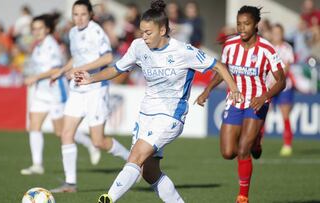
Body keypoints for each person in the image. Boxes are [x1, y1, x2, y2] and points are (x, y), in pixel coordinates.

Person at [74, 1, 242, 202]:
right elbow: (116, 68)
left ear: (162, 30)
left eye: (148, 33)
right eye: (142, 32)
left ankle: (108, 199)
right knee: (148, 171)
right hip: (146, 114)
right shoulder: (138, 46)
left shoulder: (183, 51)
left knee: (135, 156)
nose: (144, 37)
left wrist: (234, 89)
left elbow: (219, 66)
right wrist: (91, 78)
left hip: (171, 115)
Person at [195, 6, 286, 203]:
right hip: (235, 100)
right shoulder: (230, 45)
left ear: (255, 25)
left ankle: (243, 196)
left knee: (243, 150)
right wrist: (207, 90)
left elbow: (281, 81)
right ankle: (256, 140)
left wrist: (264, 97)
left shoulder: (267, 49)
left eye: (246, 24)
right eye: (239, 24)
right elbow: (223, 70)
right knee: (228, 153)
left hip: (257, 102)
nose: (242, 28)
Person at [50, 0, 130, 193]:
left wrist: (80, 69)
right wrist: (61, 71)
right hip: (77, 89)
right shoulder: (72, 32)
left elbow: (107, 58)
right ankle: (70, 184)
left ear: (90, 15)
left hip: (95, 89)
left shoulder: (96, 31)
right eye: (75, 14)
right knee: (66, 133)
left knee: (98, 141)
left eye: (83, 14)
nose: (79, 18)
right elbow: (76, 58)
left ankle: (132, 160)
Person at [21, 14, 101, 176]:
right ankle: (37, 164)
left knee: (61, 132)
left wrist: (35, 77)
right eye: (34, 29)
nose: (36, 31)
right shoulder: (37, 47)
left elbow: (57, 69)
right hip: (41, 92)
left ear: (47, 29)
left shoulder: (51, 46)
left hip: (56, 92)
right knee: (34, 125)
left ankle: (90, 143)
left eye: (40, 28)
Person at [269, 24, 296, 156]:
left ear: (282, 33)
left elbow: (287, 67)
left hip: (284, 86)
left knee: (285, 115)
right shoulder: (267, 47)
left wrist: (277, 79)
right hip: (269, 86)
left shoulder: (287, 48)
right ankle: (257, 143)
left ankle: (287, 144)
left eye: (278, 32)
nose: (276, 35)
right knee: (261, 114)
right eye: (274, 32)